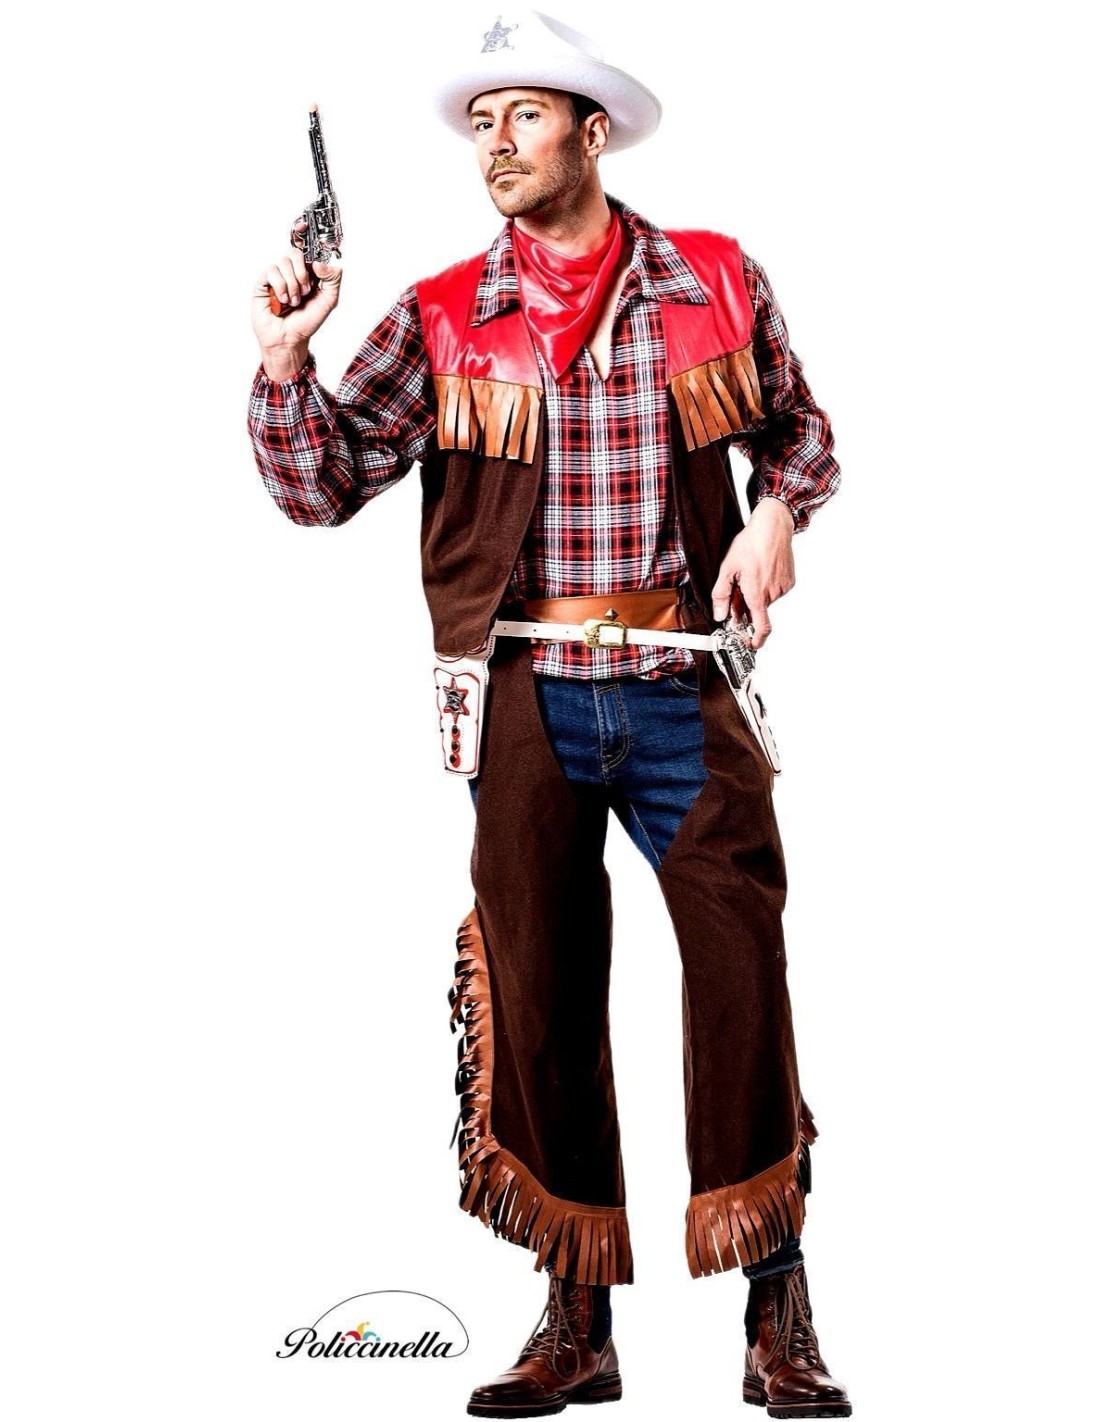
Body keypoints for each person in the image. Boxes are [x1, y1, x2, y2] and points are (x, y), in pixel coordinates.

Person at [247, 11, 850, 1418]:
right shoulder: (444, 312)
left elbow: (805, 434)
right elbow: (321, 488)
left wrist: (777, 512)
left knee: (741, 971)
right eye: (481, 122)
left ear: (591, 130)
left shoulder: (713, 279)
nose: (495, 143)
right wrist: (283, 364)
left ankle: (777, 1303)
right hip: (520, 692)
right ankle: (577, 1313)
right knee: (540, 982)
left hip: (685, 683)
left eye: (522, 115)